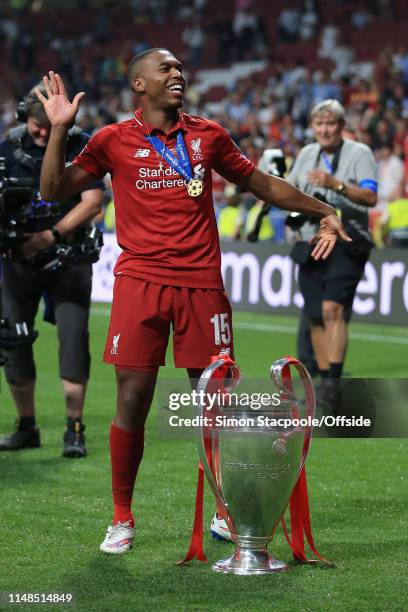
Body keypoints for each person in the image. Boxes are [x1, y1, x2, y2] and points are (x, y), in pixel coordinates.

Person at [35, 49, 349, 554]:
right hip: (140, 283)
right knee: (132, 400)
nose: (177, 75)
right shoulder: (111, 141)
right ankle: (121, 516)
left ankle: (228, 509)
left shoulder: (208, 135)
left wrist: (324, 208)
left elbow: (261, 183)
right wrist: (58, 130)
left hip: (202, 284)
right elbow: (53, 190)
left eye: (180, 69)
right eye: (166, 70)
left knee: (216, 405)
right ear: (139, 85)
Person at [0, 85, 104, 458]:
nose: (43, 133)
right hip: (17, 260)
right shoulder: (8, 148)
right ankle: (26, 426)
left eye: (49, 127)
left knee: (73, 339)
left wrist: (49, 235)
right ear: (23, 118)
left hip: (69, 258)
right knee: (13, 341)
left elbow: (93, 202)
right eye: (36, 125)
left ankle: (74, 428)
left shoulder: (79, 143)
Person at [287, 99, 377, 407]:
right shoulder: (306, 154)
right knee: (315, 315)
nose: (325, 130)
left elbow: (370, 196)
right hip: (310, 240)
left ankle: (332, 383)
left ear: (341, 126)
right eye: (319, 124)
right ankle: (322, 386)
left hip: (346, 238)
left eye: (331, 124)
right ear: (313, 126)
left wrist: (335, 185)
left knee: (331, 310)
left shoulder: (359, 153)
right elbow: (290, 190)